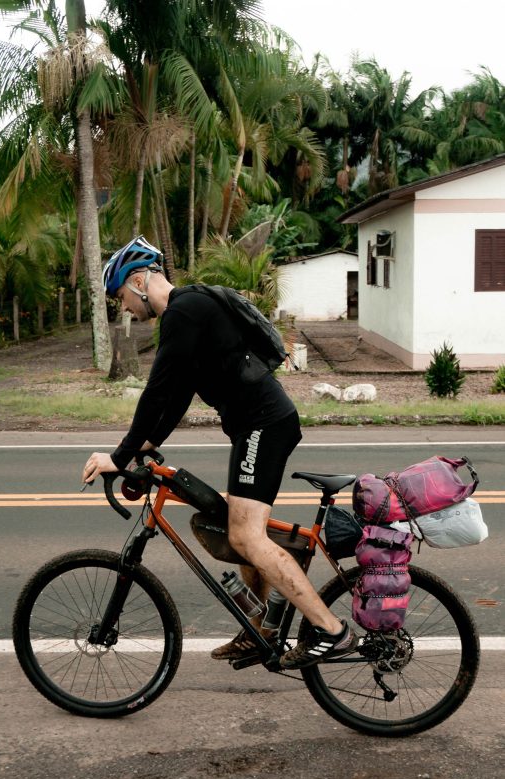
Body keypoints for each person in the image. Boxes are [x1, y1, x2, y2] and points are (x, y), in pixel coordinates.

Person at [82, 235, 357, 669]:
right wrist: (149, 444)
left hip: (263, 425)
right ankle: (261, 628)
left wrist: (118, 457)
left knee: (245, 534)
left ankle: (331, 631)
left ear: (138, 282)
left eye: (121, 298)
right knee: (238, 525)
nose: (126, 308)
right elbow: (176, 397)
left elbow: (154, 395)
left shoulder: (183, 312)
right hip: (256, 427)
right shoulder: (189, 312)